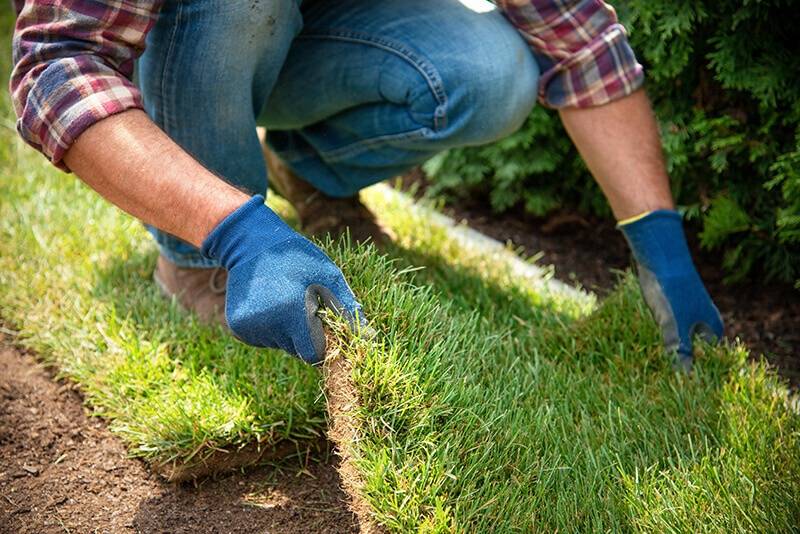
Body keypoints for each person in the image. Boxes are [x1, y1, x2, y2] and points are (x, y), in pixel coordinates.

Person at [10, 0, 723, 369]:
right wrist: (235, 231)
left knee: (492, 72)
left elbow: (582, 40)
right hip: (188, 41)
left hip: (309, 40)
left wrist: (663, 249)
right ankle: (193, 258)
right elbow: (54, 64)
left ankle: (308, 168)